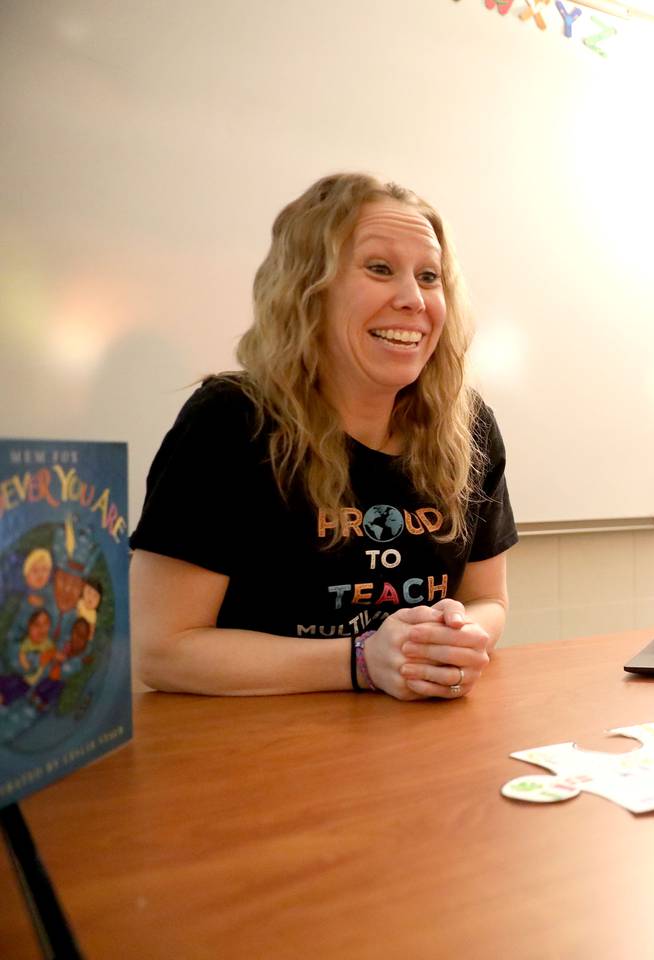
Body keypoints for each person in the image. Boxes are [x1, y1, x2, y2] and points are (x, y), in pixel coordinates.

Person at [131, 173, 517, 700]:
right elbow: (163, 651)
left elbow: (488, 602)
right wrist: (363, 660)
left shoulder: (468, 427)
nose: (414, 299)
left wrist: (453, 640)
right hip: (260, 754)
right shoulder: (228, 420)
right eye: (380, 269)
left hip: (417, 745)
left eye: (430, 277)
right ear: (308, 290)